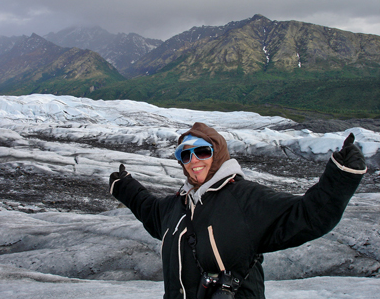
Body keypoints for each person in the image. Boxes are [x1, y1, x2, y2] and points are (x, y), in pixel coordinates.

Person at [109, 122, 366, 299]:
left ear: (218, 153)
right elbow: (149, 210)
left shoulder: (245, 199)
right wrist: (125, 187)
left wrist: (341, 178)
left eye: (201, 151)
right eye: (185, 155)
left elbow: (308, 216)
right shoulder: (178, 204)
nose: (193, 161)